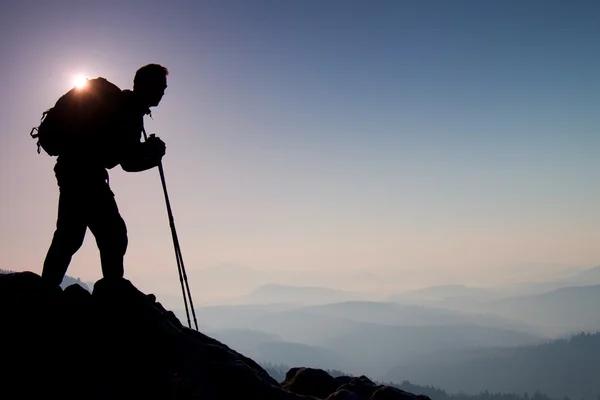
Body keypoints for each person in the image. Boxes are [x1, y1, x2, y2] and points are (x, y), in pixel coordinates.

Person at [41, 64, 169, 287]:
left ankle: (47, 289)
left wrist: (149, 155)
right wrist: (151, 153)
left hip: (75, 171)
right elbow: (126, 159)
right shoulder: (127, 110)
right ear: (146, 85)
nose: (163, 91)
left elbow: (122, 158)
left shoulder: (127, 107)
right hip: (85, 174)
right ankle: (112, 292)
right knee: (111, 235)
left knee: (72, 236)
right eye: (160, 86)